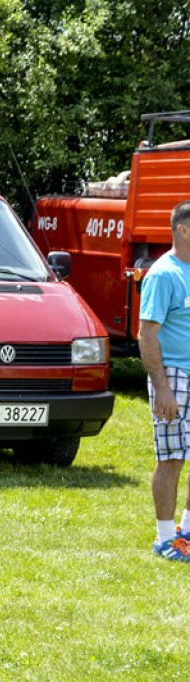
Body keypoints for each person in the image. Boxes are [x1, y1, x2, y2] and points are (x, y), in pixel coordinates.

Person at [138, 199, 190, 563]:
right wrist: (162, 387)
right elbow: (146, 335)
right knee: (171, 457)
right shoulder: (163, 274)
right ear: (184, 229)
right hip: (173, 373)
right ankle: (164, 537)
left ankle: (186, 534)